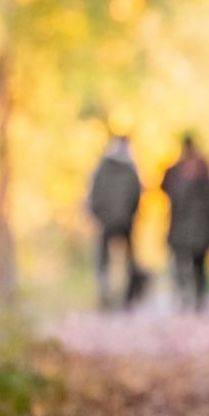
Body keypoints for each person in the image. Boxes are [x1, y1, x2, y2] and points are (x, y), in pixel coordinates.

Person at [162, 134, 209, 313]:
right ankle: (198, 297)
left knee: (182, 263)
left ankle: (185, 295)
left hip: (181, 226)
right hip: (199, 227)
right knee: (199, 265)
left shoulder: (175, 171)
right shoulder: (204, 171)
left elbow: (164, 190)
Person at [86, 133, 144, 310]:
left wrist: (98, 215)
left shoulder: (102, 167)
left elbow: (94, 195)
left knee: (104, 260)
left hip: (106, 222)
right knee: (128, 260)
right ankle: (127, 296)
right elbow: (137, 195)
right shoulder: (131, 168)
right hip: (125, 222)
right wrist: (131, 215)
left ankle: (106, 293)